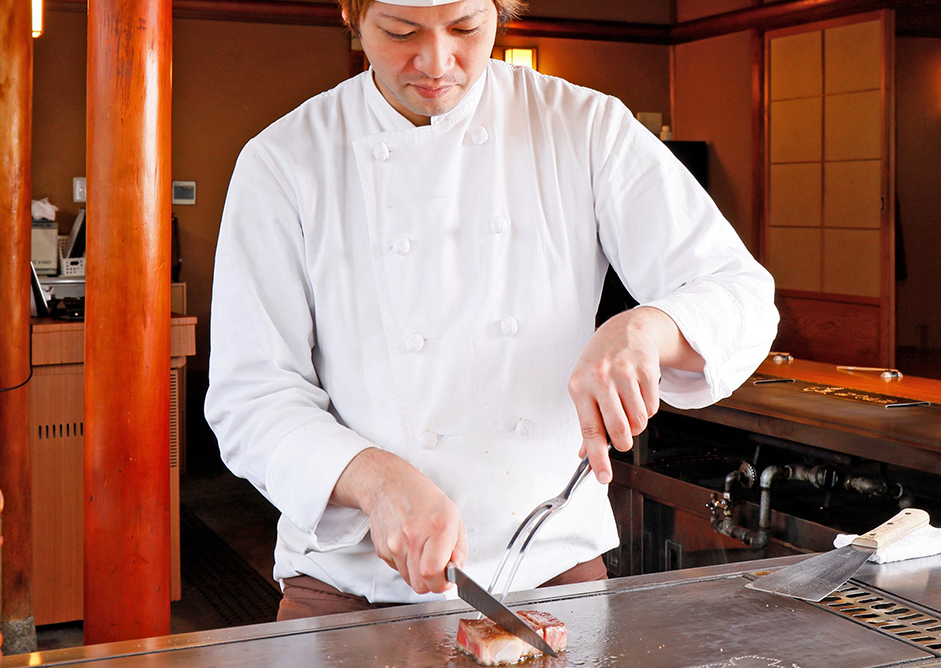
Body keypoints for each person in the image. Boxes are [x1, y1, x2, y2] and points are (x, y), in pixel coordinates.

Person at [205, 0, 779, 621]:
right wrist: (374, 481)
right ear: (352, 13)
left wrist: (648, 327)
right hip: (351, 588)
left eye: (465, 29)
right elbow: (252, 396)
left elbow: (737, 291)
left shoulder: (583, 126)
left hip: (554, 581)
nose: (436, 62)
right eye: (401, 32)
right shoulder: (285, 160)